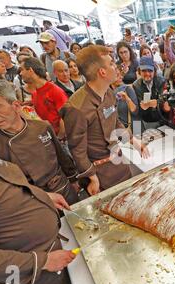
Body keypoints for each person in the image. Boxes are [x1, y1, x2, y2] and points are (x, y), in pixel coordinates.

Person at [0, 94, 76, 284]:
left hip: (54, 250)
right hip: (34, 279)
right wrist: (42, 262)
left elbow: (6, 189)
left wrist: (43, 196)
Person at [0, 79, 79, 205]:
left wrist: (73, 180)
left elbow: (62, 156)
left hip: (63, 188)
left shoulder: (42, 127)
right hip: (34, 201)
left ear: (16, 106)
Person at [61, 45, 149, 195]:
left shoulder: (108, 92)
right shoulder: (76, 108)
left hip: (119, 162)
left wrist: (134, 141)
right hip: (99, 174)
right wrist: (92, 177)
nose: (116, 67)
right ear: (102, 72)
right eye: (111, 64)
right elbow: (77, 150)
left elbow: (115, 122)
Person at [19, 57, 68, 138]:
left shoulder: (55, 91)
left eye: (22, 69)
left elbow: (66, 118)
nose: (20, 73)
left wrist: (59, 139)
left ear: (30, 70)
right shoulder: (35, 94)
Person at [132, 56, 166, 130]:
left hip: (163, 119)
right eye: (144, 70)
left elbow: (165, 100)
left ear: (154, 71)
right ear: (139, 71)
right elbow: (138, 106)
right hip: (147, 121)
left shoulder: (161, 81)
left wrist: (156, 102)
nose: (147, 73)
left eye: (150, 71)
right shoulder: (136, 85)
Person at [110, 65, 140, 134]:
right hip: (119, 130)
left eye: (120, 75)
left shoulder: (127, 89)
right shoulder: (108, 93)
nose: (121, 77)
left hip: (134, 128)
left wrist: (127, 98)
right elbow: (107, 114)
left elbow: (135, 111)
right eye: (117, 75)